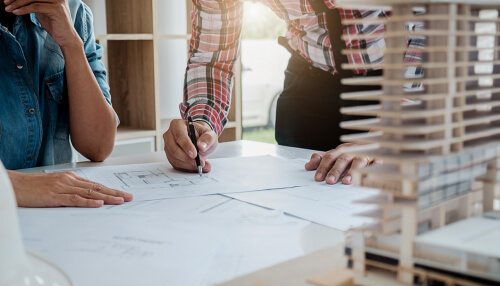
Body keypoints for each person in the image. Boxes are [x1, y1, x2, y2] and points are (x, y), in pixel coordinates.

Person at [163, 0, 423, 184]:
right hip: (309, 78)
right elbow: (212, 59)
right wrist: (201, 122)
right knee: (305, 200)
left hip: (402, 75)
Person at [0, 0, 133, 207]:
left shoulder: (74, 12)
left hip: (58, 217)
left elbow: (98, 146)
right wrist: (13, 185)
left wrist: (71, 44)